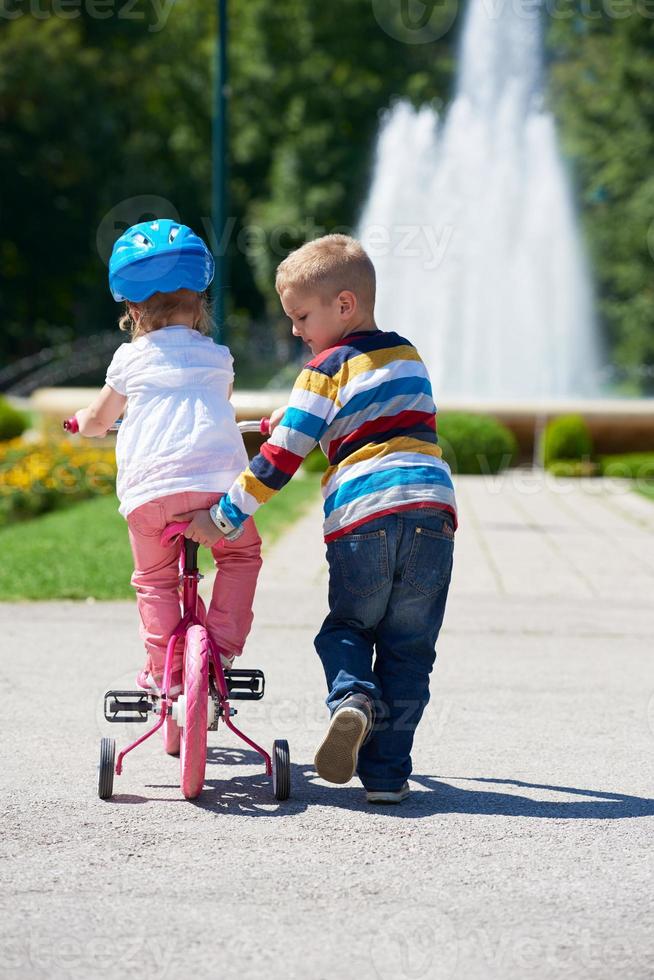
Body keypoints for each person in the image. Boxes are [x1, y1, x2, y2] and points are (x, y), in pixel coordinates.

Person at [174, 234, 456, 804]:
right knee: (409, 650)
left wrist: (222, 518)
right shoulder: (407, 355)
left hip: (363, 518)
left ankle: (352, 699)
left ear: (344, 305)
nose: (297, 331)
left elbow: (280, 458)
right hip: (432, 517)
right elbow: (380, 415)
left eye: (302, 317)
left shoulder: (323, 370)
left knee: (348, 629)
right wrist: (308, 413)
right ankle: (386, 777)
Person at [73, 219, 262, 698]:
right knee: (240, 556)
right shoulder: (219, 356)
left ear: (132, 309)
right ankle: (219, 650)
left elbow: (100, 419)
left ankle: (166, 672)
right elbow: (220, 405)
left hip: (150, 492)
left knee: (156, 581)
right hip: (219, 488)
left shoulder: (128, 360)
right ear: (200, 303)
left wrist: (83, 423)